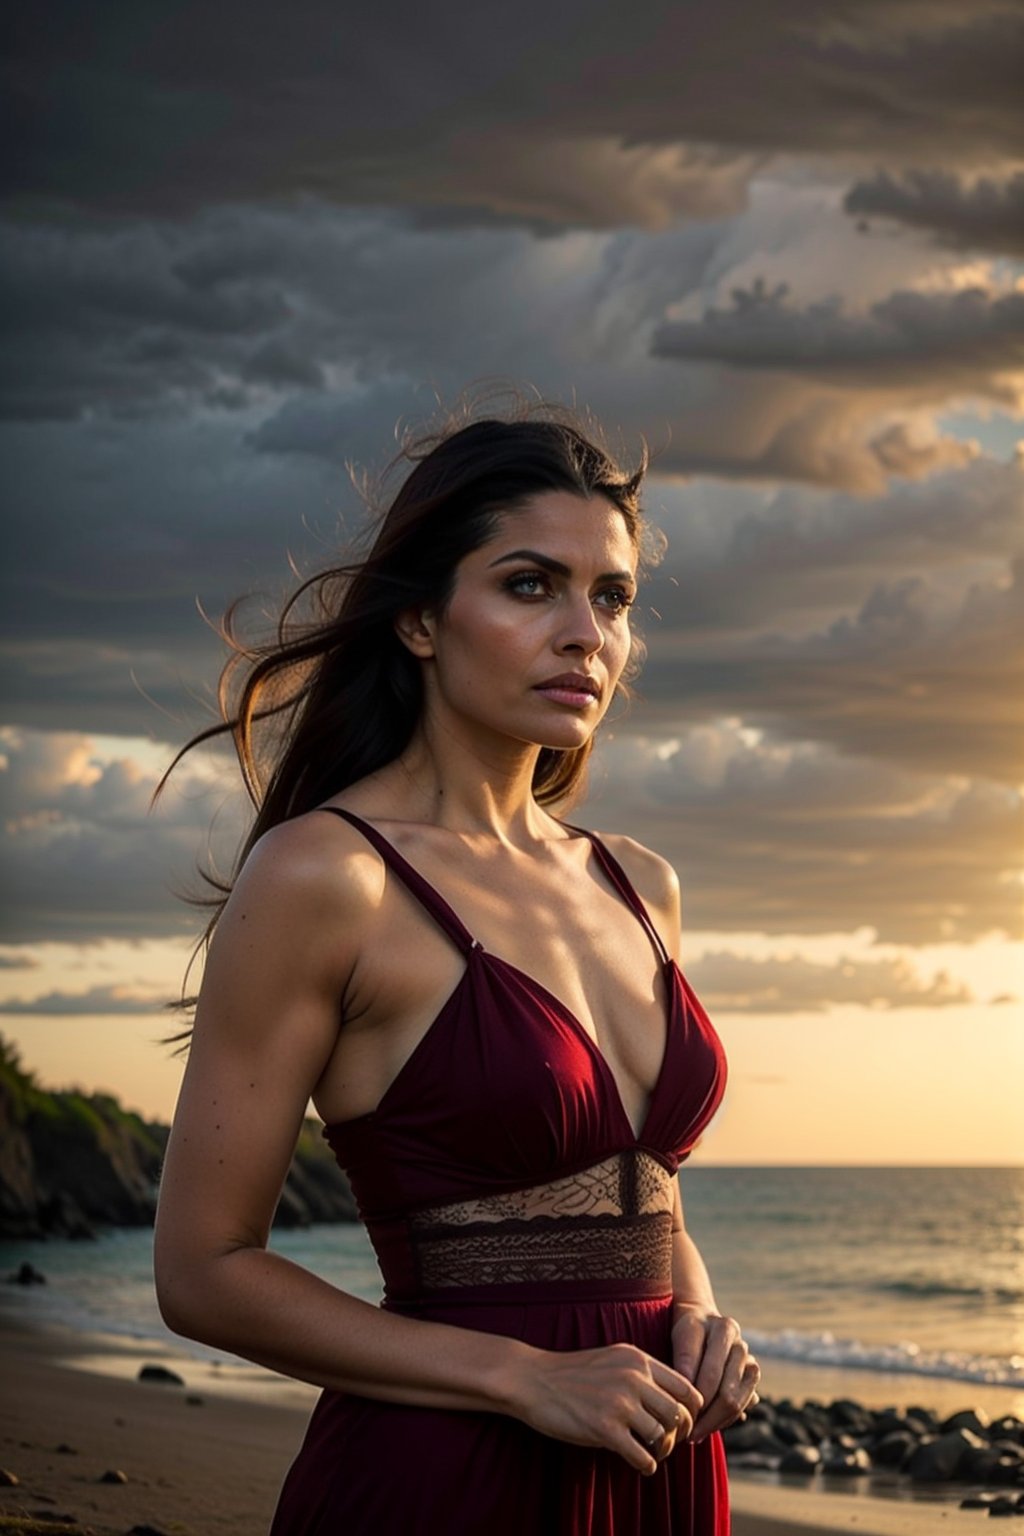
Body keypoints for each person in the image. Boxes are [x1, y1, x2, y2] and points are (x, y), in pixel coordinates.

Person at [153, 399, 759, 1536]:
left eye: (612, 596)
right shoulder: (330, 879)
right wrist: (520, 1376)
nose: (586, 633)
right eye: (530, 585)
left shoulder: (639, 883)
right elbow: (202, 1271)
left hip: (656, 1467)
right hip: (446, 1473)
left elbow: (642, 1189)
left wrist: (701, 1317)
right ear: (423, 621)